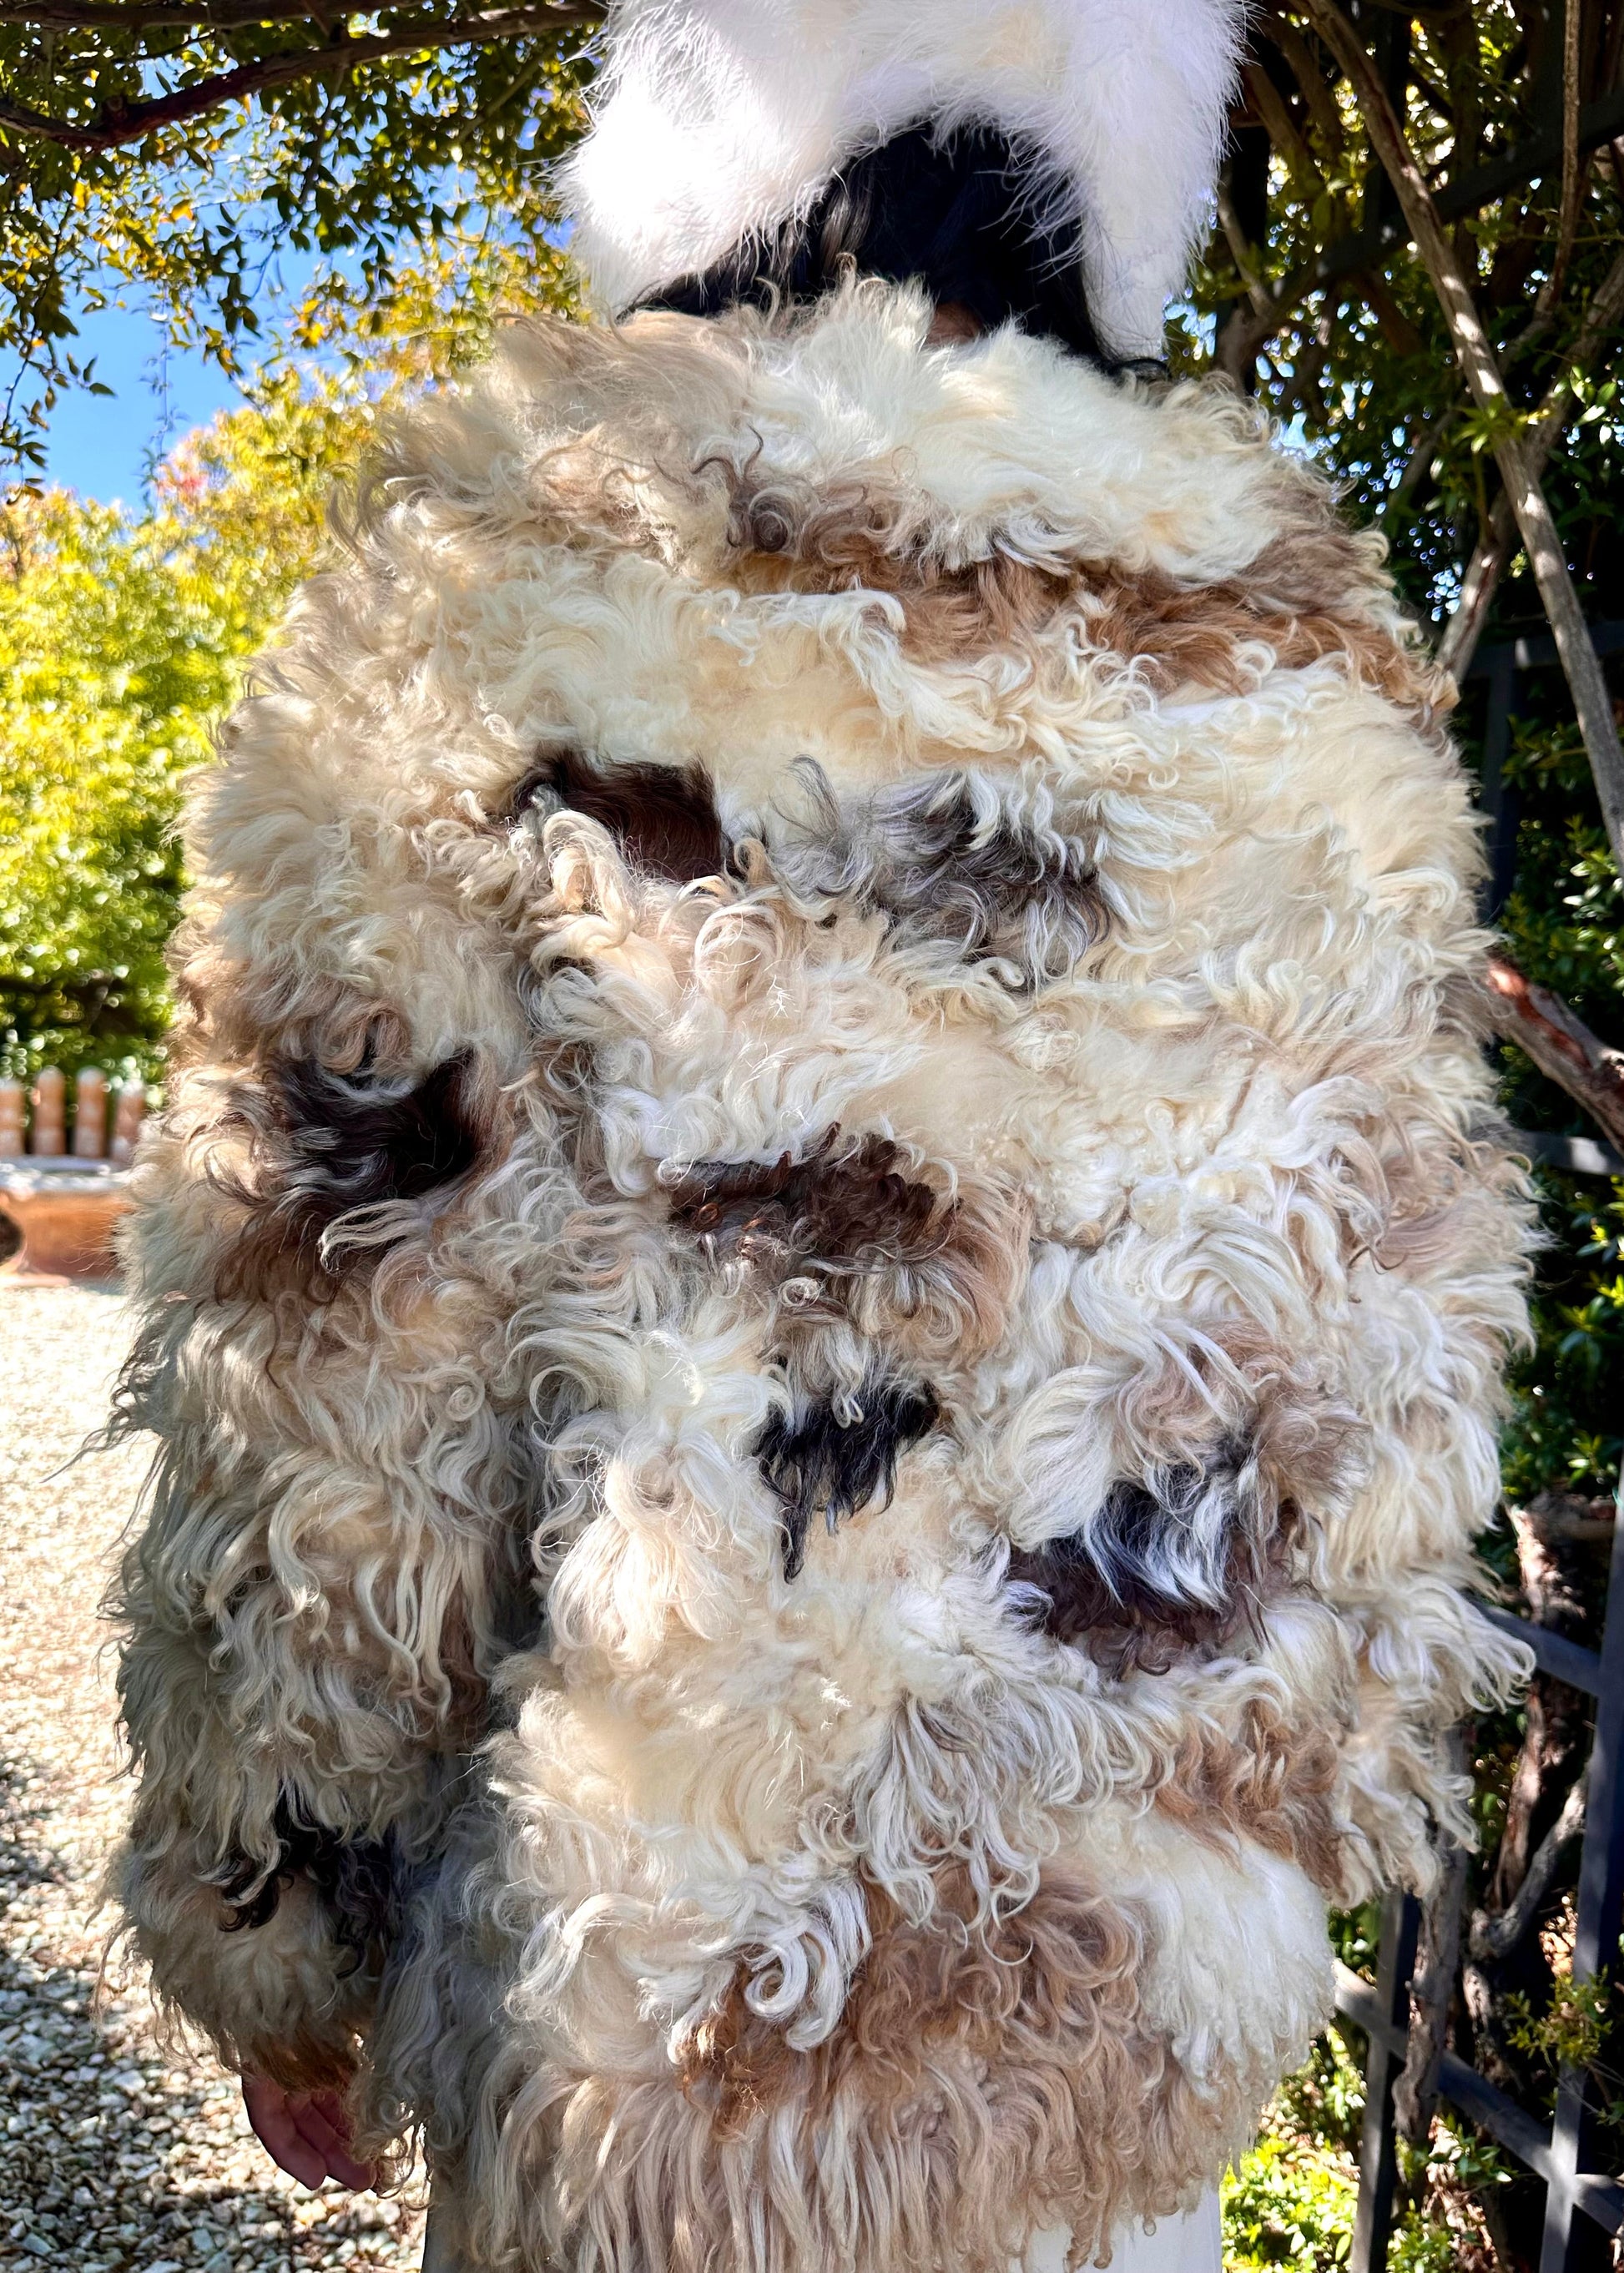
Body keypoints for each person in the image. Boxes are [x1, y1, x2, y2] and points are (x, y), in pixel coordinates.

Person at [110, 5, 1532, 2270]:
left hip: (671, 2053)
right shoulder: (1296, 681)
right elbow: (1381, 1393)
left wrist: (273, 1925)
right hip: (1125, 2052)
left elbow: (335, 1329)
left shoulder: (496, 589)